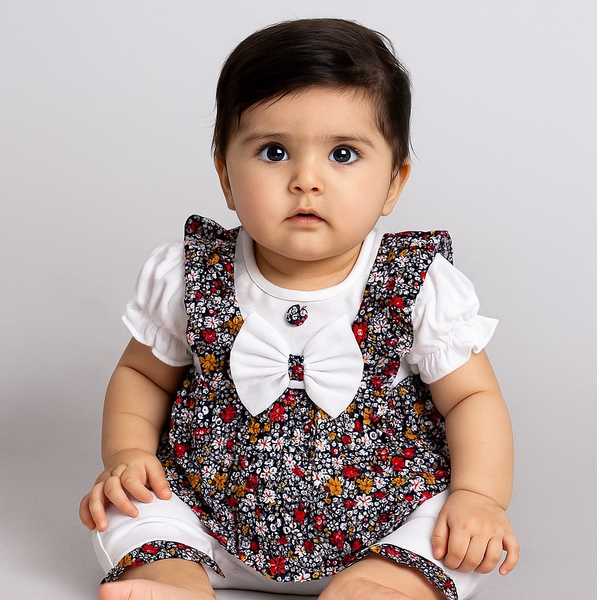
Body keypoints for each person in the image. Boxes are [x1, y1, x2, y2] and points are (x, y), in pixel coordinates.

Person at [79, 18, 519, 600]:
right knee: (125, 507)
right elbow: (142, 375)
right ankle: (173, 576)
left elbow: (471, 397)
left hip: (384, 518)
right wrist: (129, 454)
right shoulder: (191, 274)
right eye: (274, 152)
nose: (306, 180)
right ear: (225, 176)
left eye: (343, 154)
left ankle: (380, 585)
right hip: (208, 514)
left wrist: (480, 497)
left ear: (394, 182)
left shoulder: (418, 283)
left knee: (453, 533)